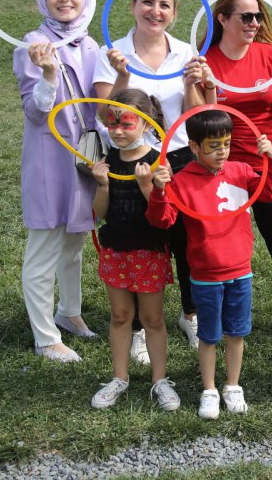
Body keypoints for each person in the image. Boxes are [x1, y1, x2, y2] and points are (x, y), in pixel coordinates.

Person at [94, 0, 214, 363]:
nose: (155, 11)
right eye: (147, 2)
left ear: (174, 13)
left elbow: (197, 115)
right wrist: (122, 74)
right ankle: (139, 328)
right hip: (131, 160)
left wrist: (192, 82)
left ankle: (190, 314)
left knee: (187, 241)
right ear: (132, 6)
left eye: (164, 5)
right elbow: (105, 112)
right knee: (139, 241)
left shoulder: (185, 53)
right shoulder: (112, 53)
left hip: (178, 159)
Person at [146, 109, 272, 419]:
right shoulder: (182, 181)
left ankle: (232, 385)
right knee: (208, 335)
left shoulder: (241, 171)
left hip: (240, 269)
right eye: (213, 146)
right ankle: (209, 389)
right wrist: (159, 190)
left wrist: (271, 160)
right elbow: (162, 220)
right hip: (205, 273)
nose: (222, 151)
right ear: (194, 146)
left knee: (237, 332)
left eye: (227, 144)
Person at [200, 0, 272, 340]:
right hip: (224, 167)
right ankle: (218, 308)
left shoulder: (270, 56)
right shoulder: (206, 60)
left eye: (258, 17)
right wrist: (206, 85)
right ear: (222, 19)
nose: (254, 23)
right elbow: (204, 116)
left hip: (268, 163)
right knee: (220, 243)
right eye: (246, 17)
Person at [13, 0, 100, 363]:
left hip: (85, 155)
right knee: (45, 246)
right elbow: (35, 112)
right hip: (50, 159)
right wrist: (48, 74)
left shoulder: (90, 45)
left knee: (74, 241)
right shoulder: (32, 45)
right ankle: (45, 338)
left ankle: (69, 312)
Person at [88, 88, 179, 411]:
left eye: (126, 124)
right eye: (112, 124)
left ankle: (160, 380)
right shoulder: (108, 162)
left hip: (148, 250)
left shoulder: (158, 162)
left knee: (152, 318)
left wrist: (147, 185)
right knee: (120, 315)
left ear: (145, 123)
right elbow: (100, 213)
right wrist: (102, 185)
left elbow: (163, 219)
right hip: (116, 249)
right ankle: (119, 377)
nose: (117, 131)